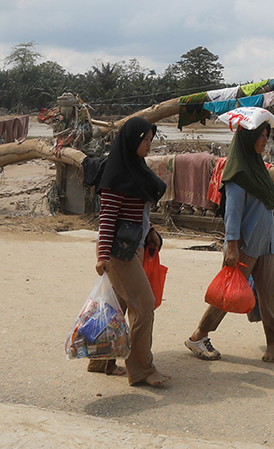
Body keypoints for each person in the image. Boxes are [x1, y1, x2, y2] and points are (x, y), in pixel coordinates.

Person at [184, 117, 274, 366]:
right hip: (245, 245)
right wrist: (232, 247)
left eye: (266, 135)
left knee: (271, 296)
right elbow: (233, 213)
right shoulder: (238, 173)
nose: (264, 140)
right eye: (260, 135)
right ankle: (198, 336)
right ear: (248, 139)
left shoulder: (258, 168)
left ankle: (273, 347)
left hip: (265, 245)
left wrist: (271, 242)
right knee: (228, 296)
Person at [92, 115, 171, 386]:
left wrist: (150, 232)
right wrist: (102, 256)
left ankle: (101, 359)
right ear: (132, 141)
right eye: (145, 140)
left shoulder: (135, 169)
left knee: (117, 306)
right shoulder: (116, 176)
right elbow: (108, 219)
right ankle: (142, 369)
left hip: (133, 248)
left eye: (151, 140)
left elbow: (135, 215)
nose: (149, 145)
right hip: (118, 254)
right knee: (144, 305)